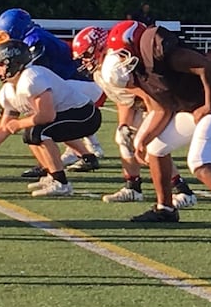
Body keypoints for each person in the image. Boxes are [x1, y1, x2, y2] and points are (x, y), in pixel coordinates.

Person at [101, 20, 211, 234]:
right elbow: (161, 110)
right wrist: (142, 139)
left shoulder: (161, 53)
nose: (122, 60)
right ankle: (165, 208)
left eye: (123, 54)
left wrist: (209, 105)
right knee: (156, 149)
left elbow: (205, 67)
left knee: (199, 161)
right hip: (196, 106)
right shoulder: (141, 71)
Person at [71, 26, 197, 207]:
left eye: (86, 54)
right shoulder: (101, 72)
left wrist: (151, 121)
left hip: (158, 104)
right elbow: (124, 99)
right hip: (141, 105)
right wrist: (124, 125)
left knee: (153, 147)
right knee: (124, 139)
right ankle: (132, 187)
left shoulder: (113, 66)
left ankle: (182, 190)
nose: (84, 60)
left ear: (97, 46)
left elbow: (147, 94)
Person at [0, 39, 103, 197]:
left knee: (38, 131)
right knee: (31, 134)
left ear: (13, 63)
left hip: (85, 115)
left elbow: (47, 115)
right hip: (68, 114)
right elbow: (4, 128)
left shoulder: (32, 78)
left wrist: (19, 123)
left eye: (0, 65)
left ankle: (61, 183)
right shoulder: (8, 91)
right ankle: (52, 175)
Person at [0, 8, 103, 176]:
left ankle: (50, 166)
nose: (0, 41)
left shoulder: (35, 41)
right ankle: (87, 155)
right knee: (46, 118)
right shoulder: (32, 36)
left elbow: (31, 74)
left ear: (14, 29)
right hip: (75, 83)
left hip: (80, 84)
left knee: (41, 117)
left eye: (3, 35)